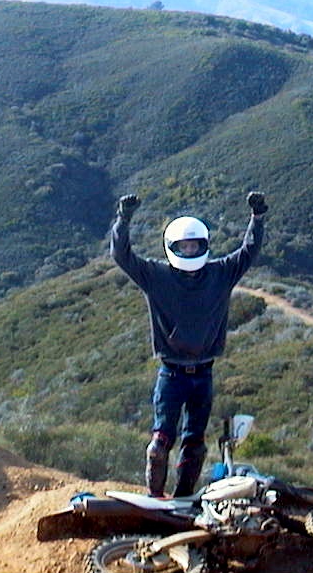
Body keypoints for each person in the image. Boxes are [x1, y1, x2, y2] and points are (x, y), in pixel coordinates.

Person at [111, 191, 267, 497]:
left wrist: (257, 219)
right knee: (160, 444)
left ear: (204, 245)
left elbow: (249, 251)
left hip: (203, 374)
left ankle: (182, 501)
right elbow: (122, 255)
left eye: (194, 244)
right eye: (185, 245)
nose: (190, 249)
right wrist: (122, 220)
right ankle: (155, 498)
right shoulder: (157, 275)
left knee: (195, 444)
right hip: (171, 374)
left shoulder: (219, 272)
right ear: (173, 247)